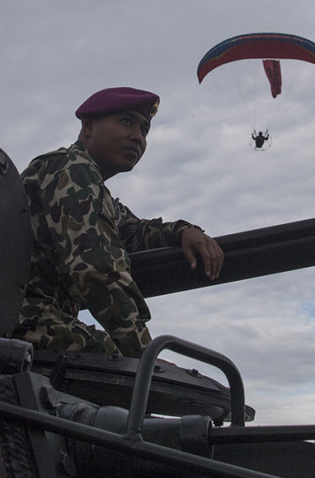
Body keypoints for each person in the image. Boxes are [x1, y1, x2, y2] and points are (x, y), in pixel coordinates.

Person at [13, 87, 224, 358]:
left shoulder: (88, 182)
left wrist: (182, 231)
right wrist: (144, 353)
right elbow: (98, 269)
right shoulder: (71, 170)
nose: (137, 137)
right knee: (111, 360)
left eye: (145, 130)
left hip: (31, 319)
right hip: (18, 320)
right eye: (126, 122)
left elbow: (131, 231)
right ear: (88, 126)